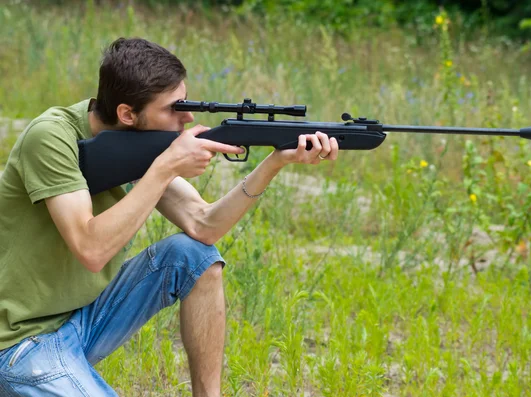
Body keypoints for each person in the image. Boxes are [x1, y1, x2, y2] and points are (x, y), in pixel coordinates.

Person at [0, 37, 339, 396]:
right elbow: (91, 249)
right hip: (20, 342)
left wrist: (275, 163)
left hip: (81, 320)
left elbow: (203, 225)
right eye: (175, 108)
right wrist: (164, 169)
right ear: (128, 115)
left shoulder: (139, 144)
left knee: (194, 257)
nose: (189, 117)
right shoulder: (51, 137)